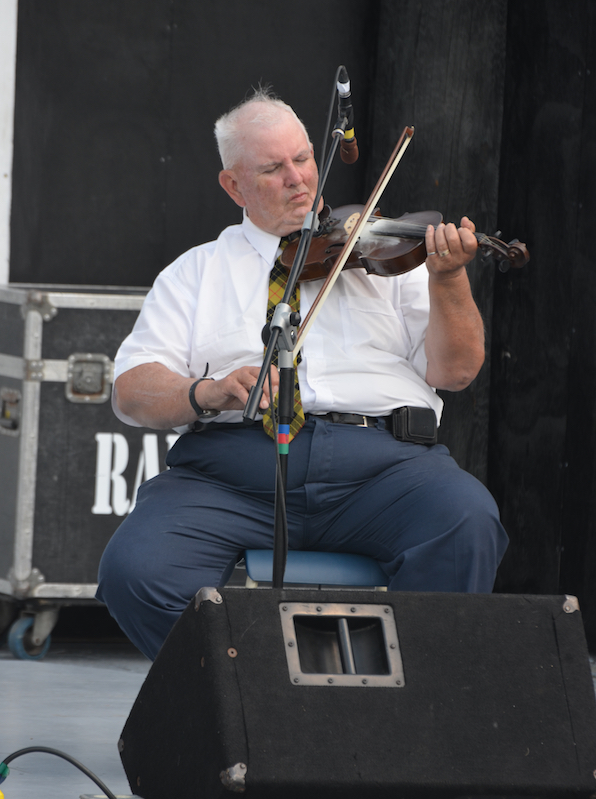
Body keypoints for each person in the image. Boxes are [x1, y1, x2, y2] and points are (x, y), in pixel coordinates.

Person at [96, 88, 508, 660]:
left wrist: (448, 278)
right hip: (233, 476)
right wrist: (206, 391)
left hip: (384, 469)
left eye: (304, 159)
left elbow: (457, 372)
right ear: (233, 186)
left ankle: (407, 702)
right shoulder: (196, 272)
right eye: (273, 169)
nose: (298, 179)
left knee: (466, 521)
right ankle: (256, 693)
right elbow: (132, 392)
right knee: (136, 569)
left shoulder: (386, 256)